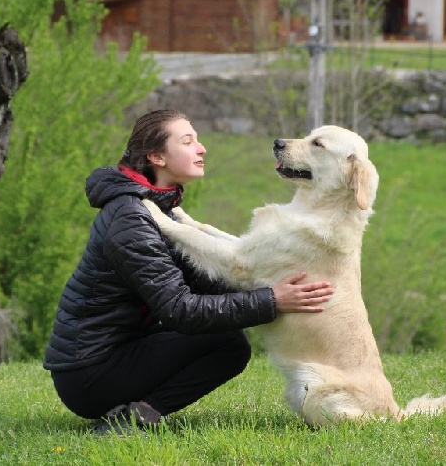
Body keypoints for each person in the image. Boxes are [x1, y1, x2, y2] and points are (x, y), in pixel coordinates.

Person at [43, 109, 333, 434]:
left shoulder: (156, 207)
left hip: (111, 355)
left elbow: (203, 282)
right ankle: (133, 421)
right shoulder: (131, 218)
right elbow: (180, 309)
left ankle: (136, 415)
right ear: (156, 156)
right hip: (88, 373)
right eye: (187, 141)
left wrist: (273, 285)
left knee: (229, 341)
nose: (201, 148)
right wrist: (271, 300)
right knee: (228, 345)